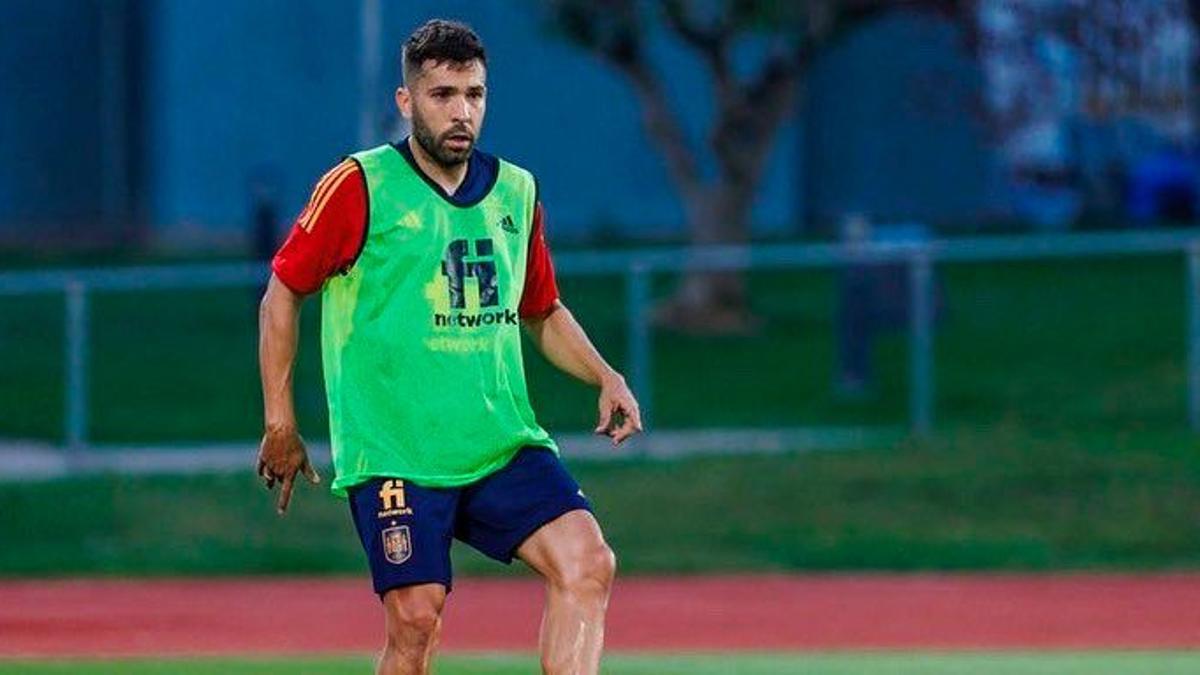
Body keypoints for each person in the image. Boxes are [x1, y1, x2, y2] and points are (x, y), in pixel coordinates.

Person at [256, 19, 642, 675]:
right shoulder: (359, 186)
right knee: (416, 621)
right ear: (406, 103)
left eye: (474, 93)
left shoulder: (516, 191)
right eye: (442, 95)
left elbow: (540, 308)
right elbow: (282, 292)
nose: (462, 111)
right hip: (396, 451)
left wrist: (606, 375)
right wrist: (280, 420)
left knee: (588, 562)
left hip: (498, 441)